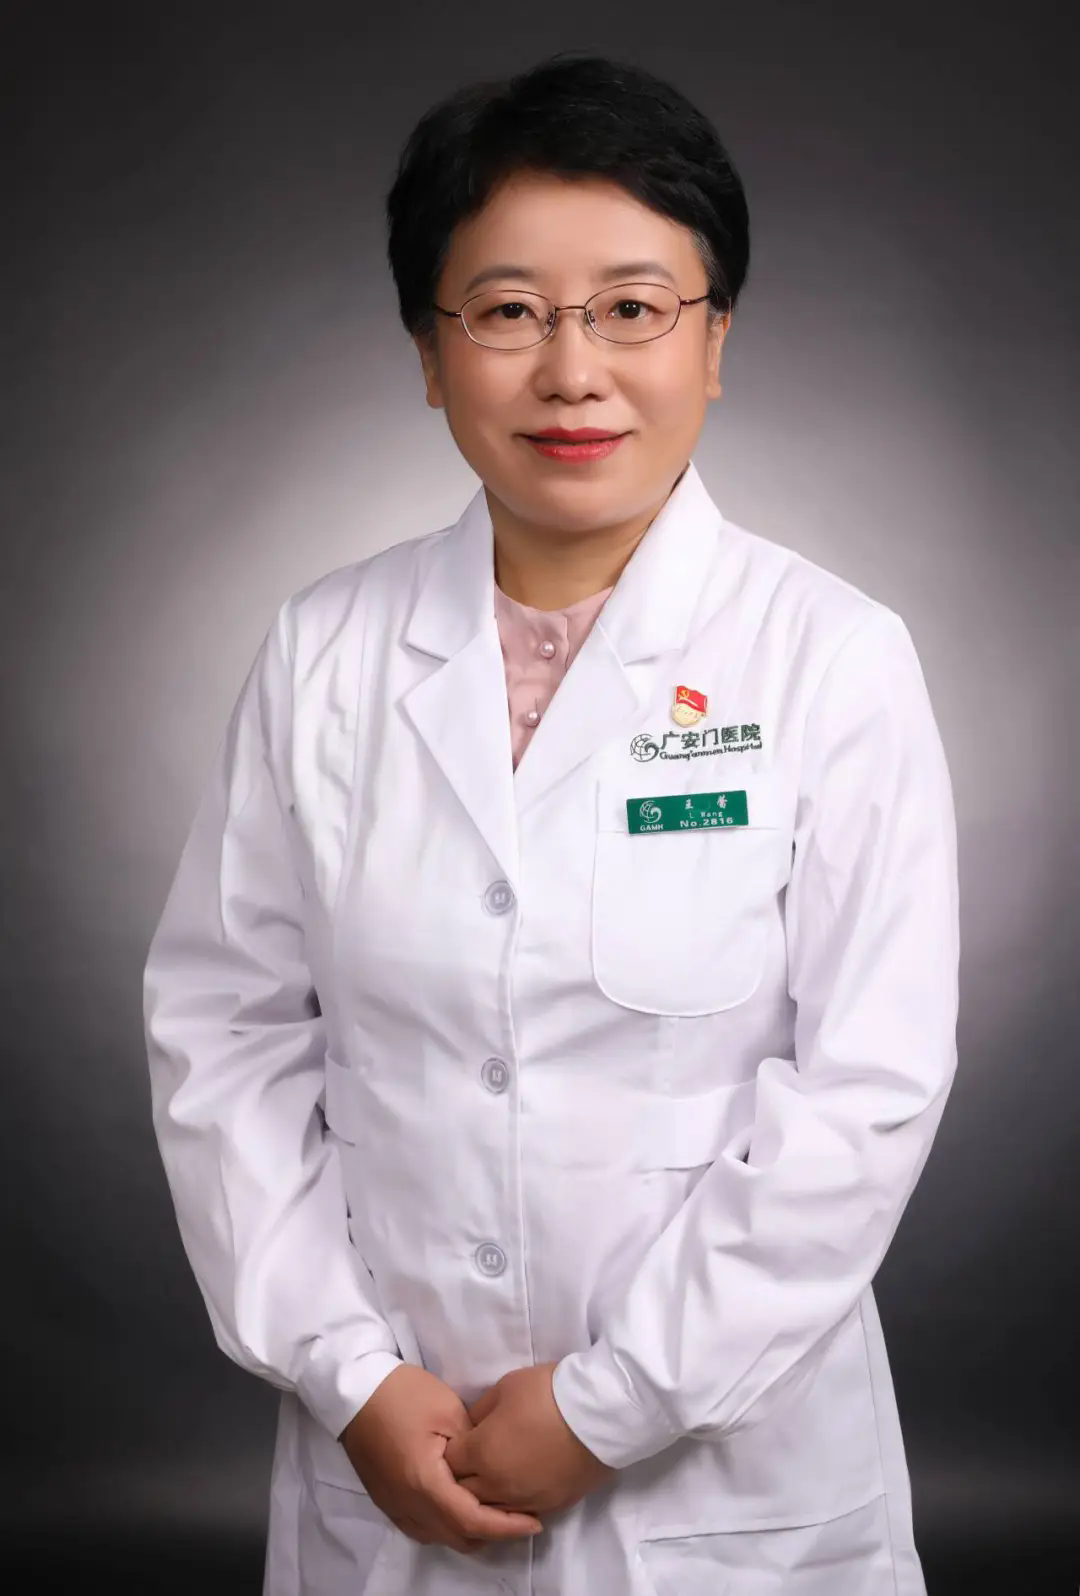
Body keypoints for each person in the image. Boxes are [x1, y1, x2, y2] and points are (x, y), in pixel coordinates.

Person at [143, 51, 960, 1596]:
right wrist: (347, 1376)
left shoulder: (833, 657)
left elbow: (869, 1089)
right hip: (398, 1456)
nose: (573, 371)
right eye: (510, 311)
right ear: (428, 351)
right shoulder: (325, 651)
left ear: (715, 341)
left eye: (633, 307)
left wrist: (611, 1405)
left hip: (724, 1490)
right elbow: (224, 1040)